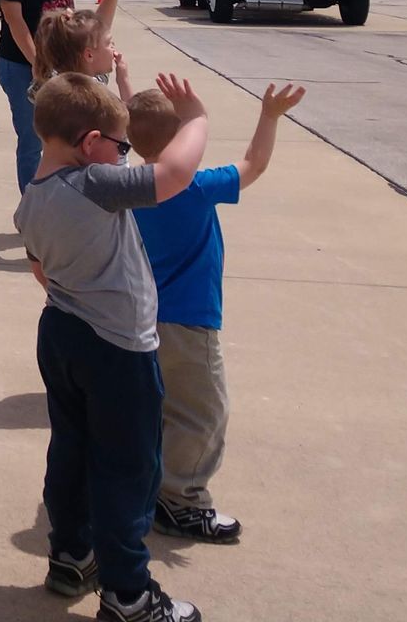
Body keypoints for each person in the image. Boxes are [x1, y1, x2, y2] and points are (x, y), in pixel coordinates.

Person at [17, 72, 209, 622]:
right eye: (120, 146)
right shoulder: (96, 184)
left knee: (72, 452)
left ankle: (71, 554)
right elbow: (173, 174)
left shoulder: (31, 199)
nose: (125, 156)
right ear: (89, 144)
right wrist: (195, 118)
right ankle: (130, 594)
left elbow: (41, 270)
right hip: (118, 348)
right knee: (129, 468)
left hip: (61, 332)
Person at [127, 80, 306, 545]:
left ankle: (149, 485)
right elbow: (255, 164)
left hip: (140, 321)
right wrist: (269, 116)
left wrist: (147, 104)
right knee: (202, 414)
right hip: (191, 324)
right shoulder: (197, 187)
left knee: (155, 408)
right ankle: (183, 500)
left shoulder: (128, 187)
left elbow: (144, 132)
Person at [0, 0, 133, 192]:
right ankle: (34, 206)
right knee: (34, 141)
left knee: (76, 136)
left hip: (66, 62)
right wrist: (40, 68)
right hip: (23, 65)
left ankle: (69, 198)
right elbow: (15, 23)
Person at [32, 0, 128, 99]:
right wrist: (123, 80)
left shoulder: (49, 86)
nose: (112, 46)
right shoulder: (94, 98)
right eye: (108, 43)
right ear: (89, 55)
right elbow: (129, 115)